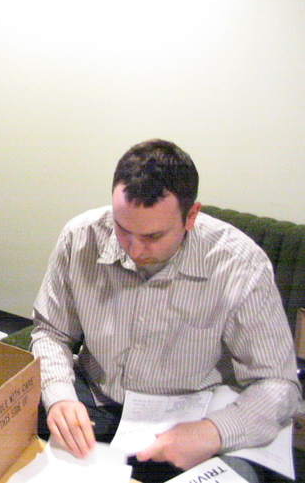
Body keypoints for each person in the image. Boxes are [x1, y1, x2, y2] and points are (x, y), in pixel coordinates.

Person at [31, 139, 301, 483]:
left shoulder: (240, 263)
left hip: (193, 416)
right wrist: (59, 397)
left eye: (153, 236)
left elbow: (278, 384)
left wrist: (213, 432)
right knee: (1, 438)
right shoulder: (80, 237)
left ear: (191, 215)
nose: (134, 250)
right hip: (97, 397)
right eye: (122, 229)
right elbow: (50, 332)